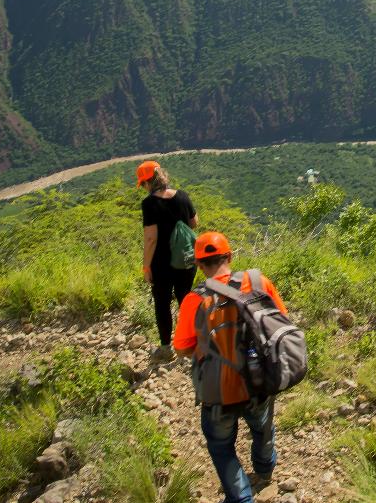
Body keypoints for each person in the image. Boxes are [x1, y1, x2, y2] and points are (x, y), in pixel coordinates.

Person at [174, 232, 286, 503]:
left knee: (221, 446)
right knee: (262, 427)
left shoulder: (195, 299)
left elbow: (181, 347)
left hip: (218, 390)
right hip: (259, 380)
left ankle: (241, 497)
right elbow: (281, 321)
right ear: (230, 256)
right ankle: (265, 467)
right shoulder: (259, 282)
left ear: (199, 265)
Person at [137, 160, 198, 363]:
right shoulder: (182, 196)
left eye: (142, 184)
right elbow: (194, 223)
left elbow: (151, 238)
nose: (143, 188)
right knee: (186, 301)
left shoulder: (149, 204)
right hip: (186, 260)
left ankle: (166, 349)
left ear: (148, 183)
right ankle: (193, 344)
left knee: (162, 304)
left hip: (162, 265)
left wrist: (146, 266)